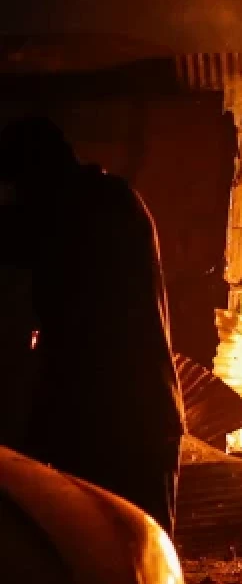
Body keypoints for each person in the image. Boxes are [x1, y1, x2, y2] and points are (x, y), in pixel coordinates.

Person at [0, 116, 186, 535]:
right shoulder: (109, 201)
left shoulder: (85, 210)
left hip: (115, 418)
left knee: (128, 551)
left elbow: (23, 231)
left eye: (19, 185)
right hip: (126, 413)